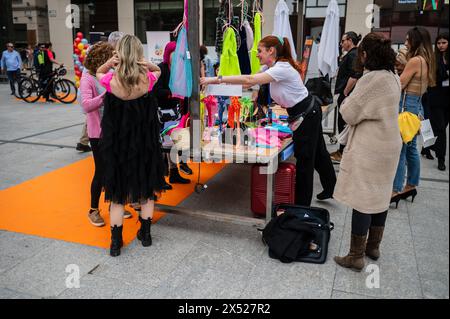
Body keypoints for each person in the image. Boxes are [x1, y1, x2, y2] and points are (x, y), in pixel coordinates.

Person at [201, 35, 337, 206]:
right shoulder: (270, 67)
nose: (257, 54)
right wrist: (215, 87)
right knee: (319, 153)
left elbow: (249, 80)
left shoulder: (282, 68)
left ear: (271, 51)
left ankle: (301, 209)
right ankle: (331, 187)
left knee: (305, 161)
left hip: (306, 114)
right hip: (306, 111)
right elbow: (246, 84)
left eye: (259, 51)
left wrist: (214, 79)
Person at [333, 33, 402, 271]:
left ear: (365, 54)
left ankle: (355, 255)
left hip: (370, 146)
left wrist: (345, 102)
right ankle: (373, 247)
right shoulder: (393, 76)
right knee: (380, 196)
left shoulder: (371, 79)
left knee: (363, 199)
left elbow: (349, 113)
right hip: (390, 144)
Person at [96, 35, 165, 257]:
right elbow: (159, 71)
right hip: (144, 146)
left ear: (120, 54)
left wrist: (110, 63)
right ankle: (146, 235)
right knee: (146, 191)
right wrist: (148, 63)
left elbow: (97, 72)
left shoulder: (110, 80)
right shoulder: (148, 79)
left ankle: (115, 243)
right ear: (138, 54)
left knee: (117, 195)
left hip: (117, 147)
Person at [392, 27, 436, 203]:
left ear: (415, 41)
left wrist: (396, 72)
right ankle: (411, 184)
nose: (405, 43)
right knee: (411, 149)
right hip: (417, 107)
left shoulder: (415, 60)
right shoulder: (426, 59)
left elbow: (400, 85)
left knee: (401, 150)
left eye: (408, 39)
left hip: (406, 108)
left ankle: (396, 190)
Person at [153, 41, 192, 188]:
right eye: (174, 55)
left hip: (176, 113)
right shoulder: (161, 69)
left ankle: (174, 173)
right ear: (168, 54)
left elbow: (186, 91)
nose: (177, 58)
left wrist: (185, 110)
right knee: (163, 146)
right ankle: (160, 178)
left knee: (175, 144)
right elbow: (156, 91)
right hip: (161, 114)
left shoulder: (180, 70)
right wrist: (172, 93)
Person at [330, 32, 363, 163]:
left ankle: (343, 152)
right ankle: (342, 150)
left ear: (350, 40)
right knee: (342, 123)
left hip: (347, 95)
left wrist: (345, 92)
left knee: (344, 124)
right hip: (347, 94)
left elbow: (355, 75)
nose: (341, 43)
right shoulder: (352, 54)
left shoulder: (353, 55)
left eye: (343, 41)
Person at [427, 33, 449, 171]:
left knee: (441, 128)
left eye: (444, 42)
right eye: (439, 43)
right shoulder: (433, 58)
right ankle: (441, 159)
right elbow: (432, 78)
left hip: (448, 99)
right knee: (440, 129)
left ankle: (427, 146)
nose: (441, 45)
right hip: (436, 98)